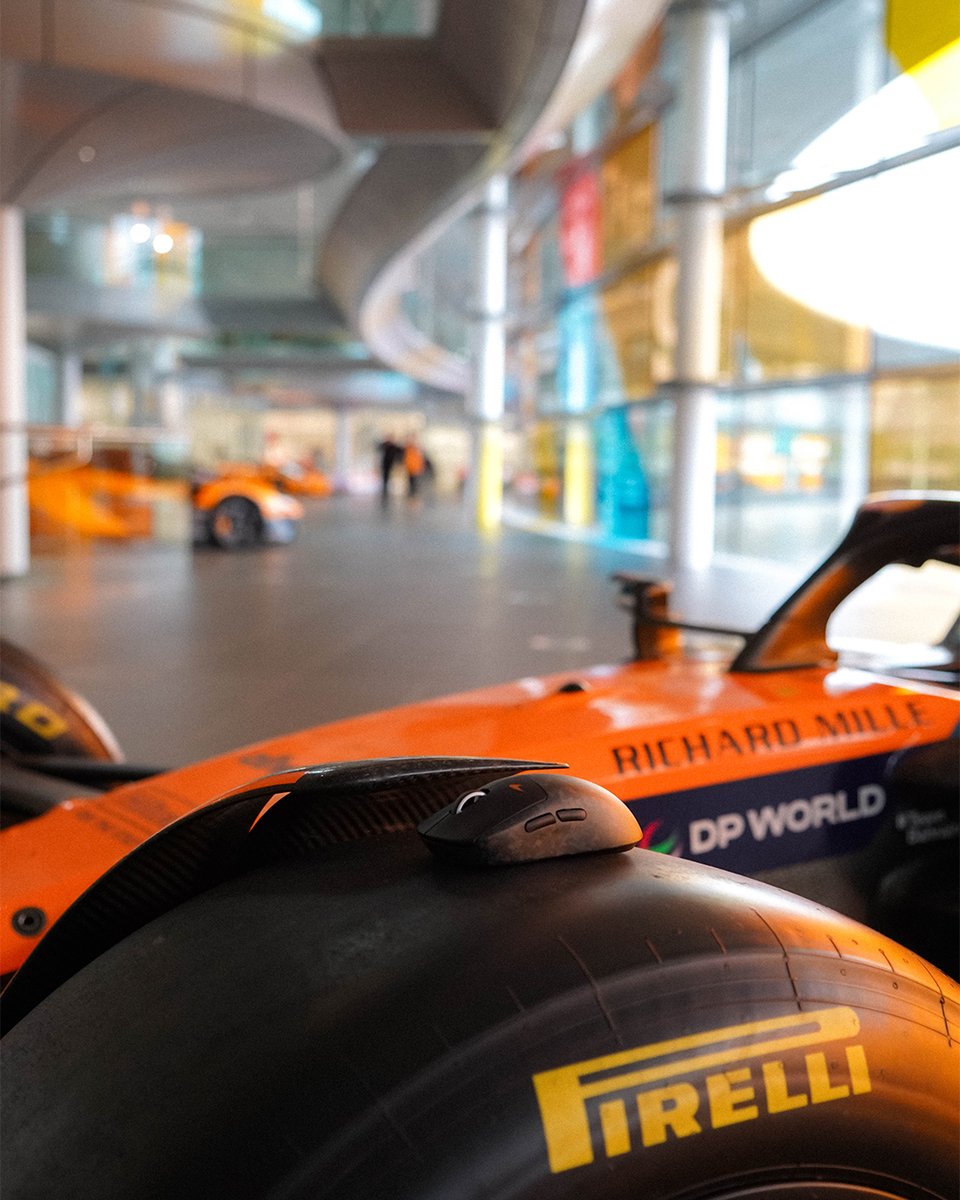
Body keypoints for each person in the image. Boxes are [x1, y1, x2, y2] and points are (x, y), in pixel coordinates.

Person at [377, 434, 401, 503]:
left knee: (391, 476)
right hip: (385, 463)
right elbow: (379, 448)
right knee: (385, 476)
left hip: (392, 464)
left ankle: (390, 487)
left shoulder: (394, 446)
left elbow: (399, 452)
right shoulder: (385, 445)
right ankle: (385, 488)